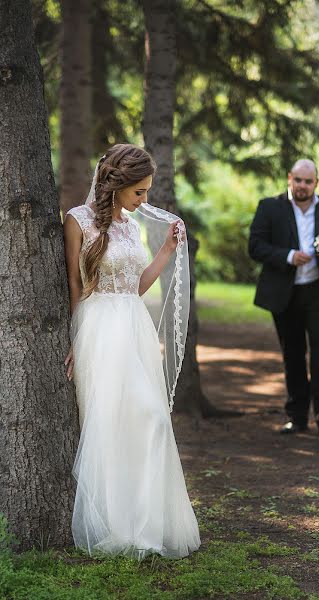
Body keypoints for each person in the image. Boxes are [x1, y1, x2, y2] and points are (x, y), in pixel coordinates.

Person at [63, 143, 200, 558]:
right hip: (100, 327)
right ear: (116, 184)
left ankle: (145, 521)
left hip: (135, 327)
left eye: (146, 191)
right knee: (108, 423)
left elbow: (136, 285)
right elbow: (74, 283)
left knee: (152, 419)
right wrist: (74, 339)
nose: (144, 200)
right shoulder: (77, 220)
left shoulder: (130, 225)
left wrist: (166, 252)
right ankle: (115, 526)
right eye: (138, 192)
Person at [248, 159, 319, 435]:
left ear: (316, 182)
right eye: (298, 180)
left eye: (308, 181)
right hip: (286, 293)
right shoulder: (269, 206)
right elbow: (255, 246)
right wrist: (289, 256)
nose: (303, 186)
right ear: (290, 178)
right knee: (292, 355)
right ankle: (297, 416)